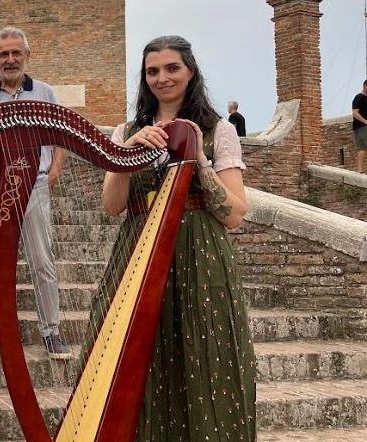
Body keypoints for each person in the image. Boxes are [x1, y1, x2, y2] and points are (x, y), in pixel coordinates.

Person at [92, 35, 255, 441]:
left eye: (171, 68)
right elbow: (112, 206)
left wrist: (197, 158)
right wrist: (125, 154)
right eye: (152, 71)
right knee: (135, 358)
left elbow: (234, 213)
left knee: (204, 356)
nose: (161, 78)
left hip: (201, 257)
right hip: (138, 254)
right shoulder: (129, 129)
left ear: (190, 71)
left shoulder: (218, 129)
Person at [0, 27, 70, 359]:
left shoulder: (45, 93)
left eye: (16, 53)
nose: (10, 59)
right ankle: (1, 332)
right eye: (3, 54)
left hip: (34, 188)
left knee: (42, 262)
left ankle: (52, 332)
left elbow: (61, 138)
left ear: (27, 56)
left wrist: (52, 173)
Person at [352, 79, 367, 173]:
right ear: (365, 85)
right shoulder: (358, 97)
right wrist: (365, 121)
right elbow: (355, 113)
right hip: (361, 127)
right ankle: (360, 170)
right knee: (363, 147)